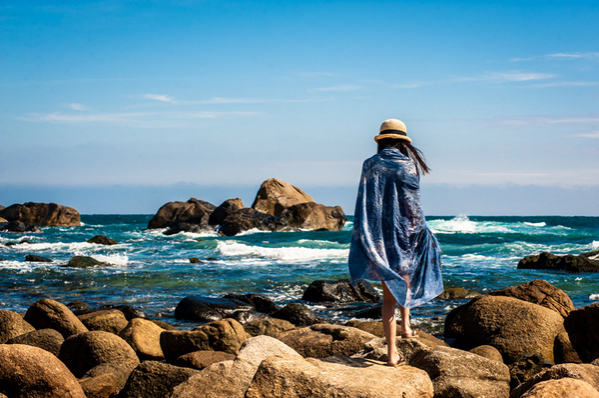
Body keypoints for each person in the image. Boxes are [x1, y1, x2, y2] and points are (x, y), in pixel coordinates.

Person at [348, 118, 443, 367]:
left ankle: (395, 346)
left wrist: (365, 236)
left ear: (381, 140)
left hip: (379, 237)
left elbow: (365, 202)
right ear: (403, 141)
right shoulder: (409, 166)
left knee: (388, 297)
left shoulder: (370, 165)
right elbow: (413, 207)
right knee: (407, 279)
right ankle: (404, 331)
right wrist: (421, 233)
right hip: (407, 234)